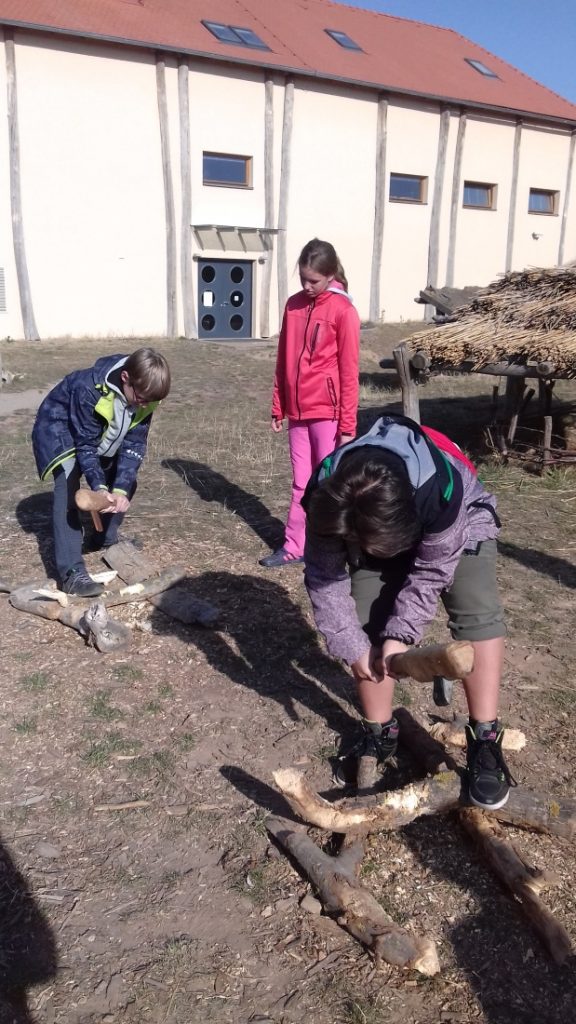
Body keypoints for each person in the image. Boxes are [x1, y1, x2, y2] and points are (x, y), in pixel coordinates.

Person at [303, 413, 516, 810]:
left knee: (475, 608)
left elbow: (432, 570)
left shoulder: (440, 490)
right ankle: (380, 731)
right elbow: (324, 576)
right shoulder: (327, 497)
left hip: (461, 521)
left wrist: (402, 633)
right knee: (364, 624)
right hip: (371, 525)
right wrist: (351, 643)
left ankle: (485, 737)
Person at [32, 348, 170, 598]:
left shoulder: (144, 395)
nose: (145, 405)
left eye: (151, 401)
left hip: (96, 434)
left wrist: (118, 490)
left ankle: (103, 537)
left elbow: (135, 444)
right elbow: (86, 445)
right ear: (126, 378)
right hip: (59, 428)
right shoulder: (88, 388)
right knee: (68, 491)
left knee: (125, 483)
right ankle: (71, 573)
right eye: (142, 398)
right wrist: (99, 486)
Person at [259, 238, 360, 568]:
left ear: (330, 275)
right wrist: (279, 404)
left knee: (330, 482)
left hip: (328, 414)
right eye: (303, 279)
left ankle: (336, 547)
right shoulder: (293, 305)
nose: (307, 286)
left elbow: (349, 373)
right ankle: (294, 546)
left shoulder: (344, 312)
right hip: (297, 412)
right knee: (301, 483)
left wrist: (347, 426)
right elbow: (283, 358)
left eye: (313, 280)